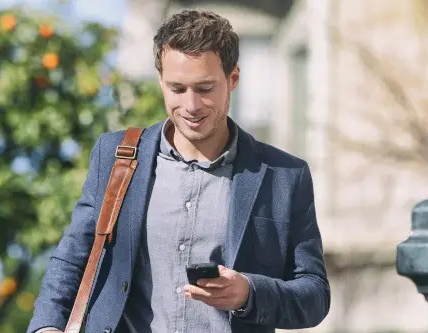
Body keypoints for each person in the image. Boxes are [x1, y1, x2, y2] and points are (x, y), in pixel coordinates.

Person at [27, 9, 330, 333]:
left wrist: (249, 292)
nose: (191, 105)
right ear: (160, 81)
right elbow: (73, 257)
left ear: (233, 79)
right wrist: (47, 326)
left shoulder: (284, 176)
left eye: (204, 88)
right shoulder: (116, 157)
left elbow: (314, 296)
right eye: (177, 88)